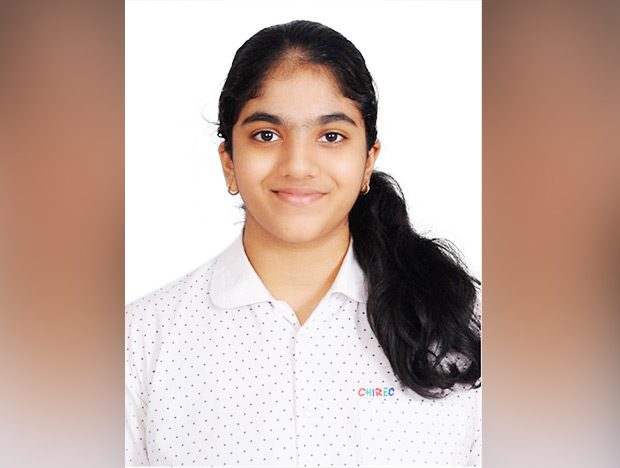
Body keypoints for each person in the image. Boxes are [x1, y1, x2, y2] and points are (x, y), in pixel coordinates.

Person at [126, 20, 481, 467]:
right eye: (266, 135)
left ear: (368, 160)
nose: (297, 165)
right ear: (229, 162)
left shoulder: (469, 327)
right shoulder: (138, 341)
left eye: (331, 136)